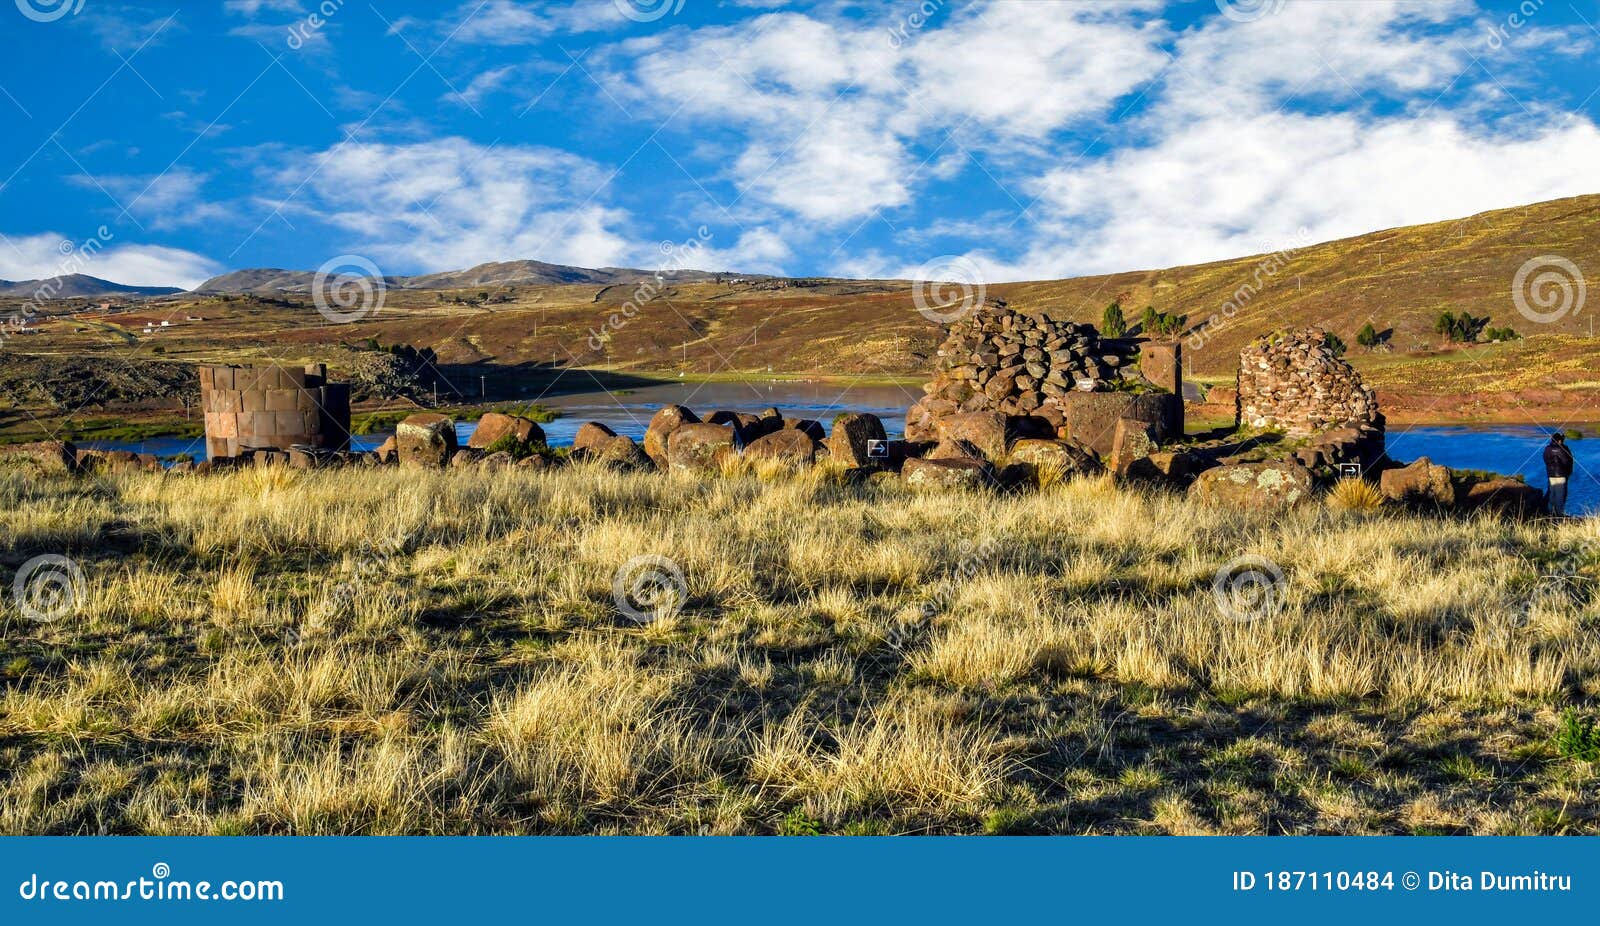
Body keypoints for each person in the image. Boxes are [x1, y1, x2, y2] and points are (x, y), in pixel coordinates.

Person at [1544, 431, 1574, 516]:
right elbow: (1566, 461)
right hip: (1561, 475)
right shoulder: (1562, 449)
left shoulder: (1547, 448)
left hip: (1551, 474)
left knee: (1552, 494)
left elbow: (1546, 460)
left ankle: (1550, 512)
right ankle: (1559, 514)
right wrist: (1567, 471)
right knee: (1560, 495)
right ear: (1559, 440)